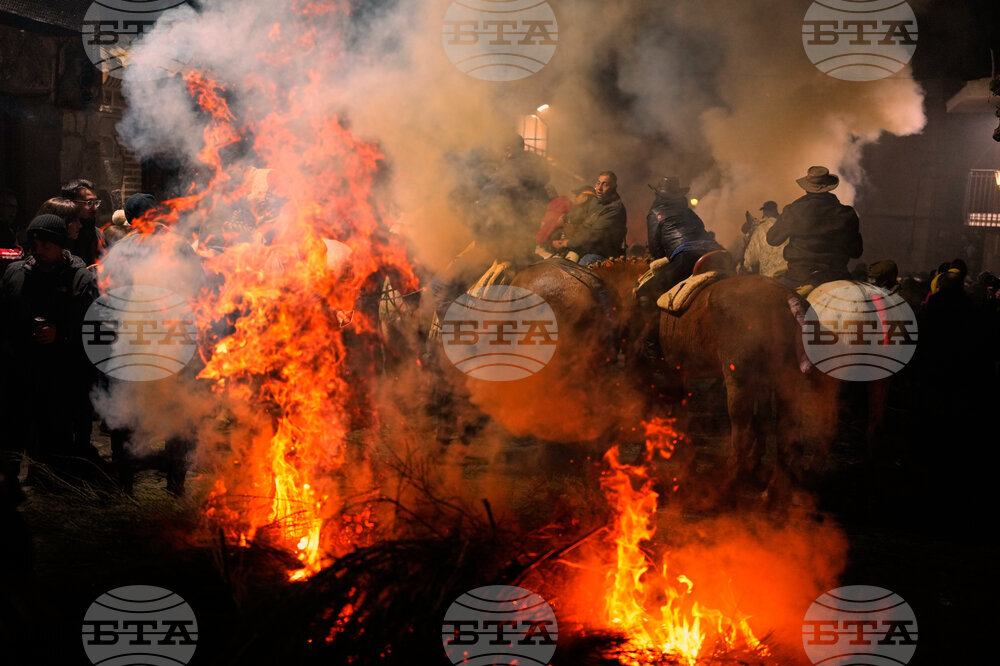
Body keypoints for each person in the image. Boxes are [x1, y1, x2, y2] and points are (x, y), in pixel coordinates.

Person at [1, 215, 101, 481]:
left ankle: (49, 480)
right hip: (21, 367)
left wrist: (61, 333)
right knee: (15, 430)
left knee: (53, 433)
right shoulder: (16, 273)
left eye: (46, 245)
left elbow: (91, 325)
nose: (39, 250)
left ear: (59, 245)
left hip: (60, 371)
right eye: (35, 244)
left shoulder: (79, 278)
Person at [766, 166, 862, 290]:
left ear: (806, 188)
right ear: (828, 188)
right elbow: (856, 252)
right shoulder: (846, 213)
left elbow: (772, 239)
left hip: (799, 276)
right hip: (836, 276)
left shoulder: (793, 211)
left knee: (770, 297)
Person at [635, 176, 723, 303]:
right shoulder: (689, 212)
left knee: (644, 292)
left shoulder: (654, 213)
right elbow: (701, 228)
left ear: (658, 195)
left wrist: (665, 258)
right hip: (714, 252)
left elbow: (655, 248)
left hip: (686, 259)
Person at [553, 171, 626, 265]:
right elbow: (582, 213)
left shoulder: (614, 209)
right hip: (585, 247)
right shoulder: (596, 199)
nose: (599, 188)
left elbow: (594, 235)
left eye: (605, 184)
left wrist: (568, 243)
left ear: (614, 187)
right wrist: (567, 218)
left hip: (601, 253)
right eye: (598, 183)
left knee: (577, 271)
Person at [61, 179, 105, 265]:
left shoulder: (98, 235)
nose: (95, 208)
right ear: (71, 203)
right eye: (89, 202)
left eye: (96, 202)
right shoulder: (61, 236)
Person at [739, 201, 787, 278]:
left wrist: (745, 265)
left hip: (769, 275)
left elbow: (751, 258)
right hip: (787, 271)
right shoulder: (786, 225)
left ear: (765, 212)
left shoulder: (761, 229)